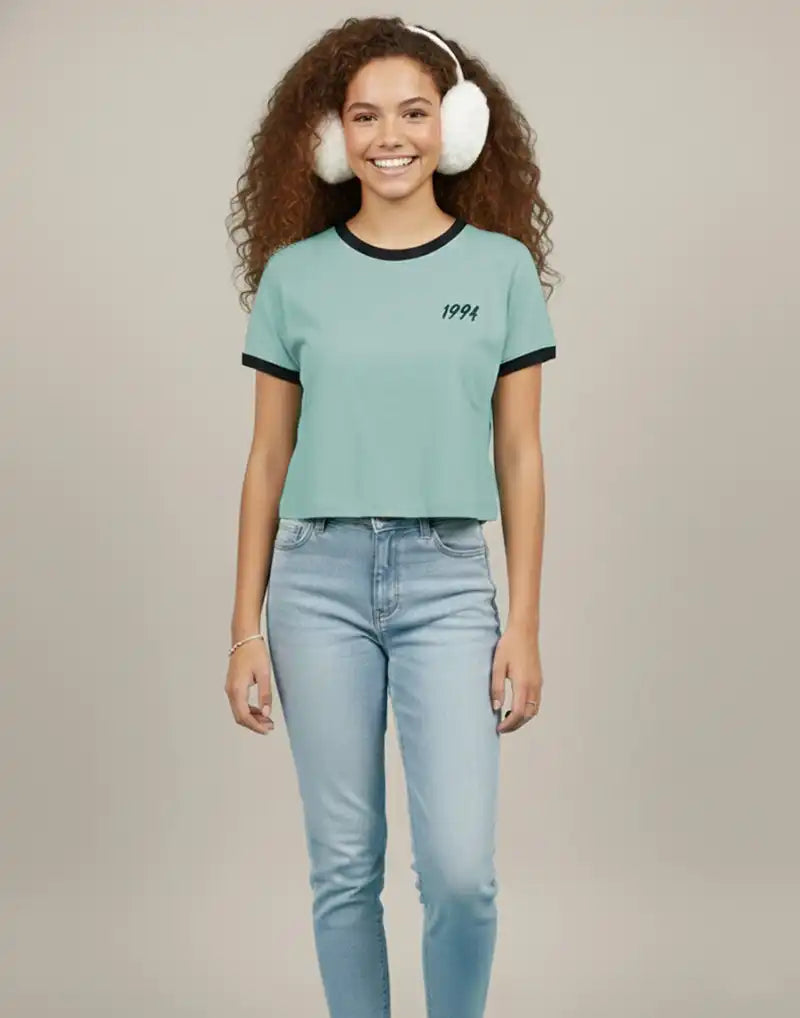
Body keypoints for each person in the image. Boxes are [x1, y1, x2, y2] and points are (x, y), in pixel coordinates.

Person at [224, 16, 559, 1018]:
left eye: (413, 112)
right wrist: (244, 627)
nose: (389, 136)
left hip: (447, 582)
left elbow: (519, 454)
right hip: (315, 585)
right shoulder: (294, 277)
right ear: (333, 136)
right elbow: (266, 459)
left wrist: (523, 624)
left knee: (459, 871)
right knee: (344, 867)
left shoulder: (499, 270)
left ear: (455, 126)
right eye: (364, 116)